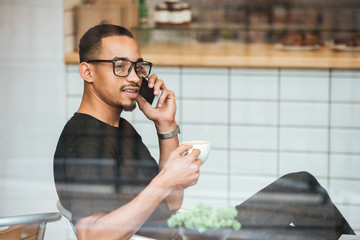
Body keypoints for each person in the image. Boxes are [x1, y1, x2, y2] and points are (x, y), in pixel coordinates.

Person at [54, 24, 356, 240]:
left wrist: (165, 125)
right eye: (120, 66)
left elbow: (171, 204)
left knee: (301, 187)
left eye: (138, 66)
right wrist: (164, 181)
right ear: (87, 71)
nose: (134, 77)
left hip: (190, 233)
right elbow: (92, 235)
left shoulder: (121, 129)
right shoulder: (84, 140)